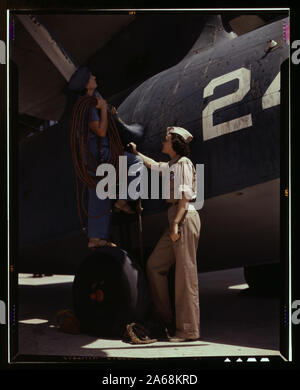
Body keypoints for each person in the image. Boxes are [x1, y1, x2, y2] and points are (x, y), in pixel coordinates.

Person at [128, 126, 201, 342]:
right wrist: (136, 153)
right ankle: (166, 320)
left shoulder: (184, 164)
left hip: (184, 216)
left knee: (185, 276)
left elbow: (185, 198)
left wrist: (176, 224)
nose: (163, 142)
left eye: (166, 139)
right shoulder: (172, 165)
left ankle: (188, 331)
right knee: (154, 265)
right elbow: (154, 165)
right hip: (176, 217)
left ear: (175, 143)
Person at [68, 66, 144, 248]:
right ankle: (122, 200)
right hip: (101, 156)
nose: (94, 76)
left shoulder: (84, 103)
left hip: (91, 159)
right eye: (91, 76)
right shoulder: (90, 106)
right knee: (136, 163)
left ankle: (96, 239)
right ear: (87, 85)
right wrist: (103, 110)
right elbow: (101, 131)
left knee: (99, 194)